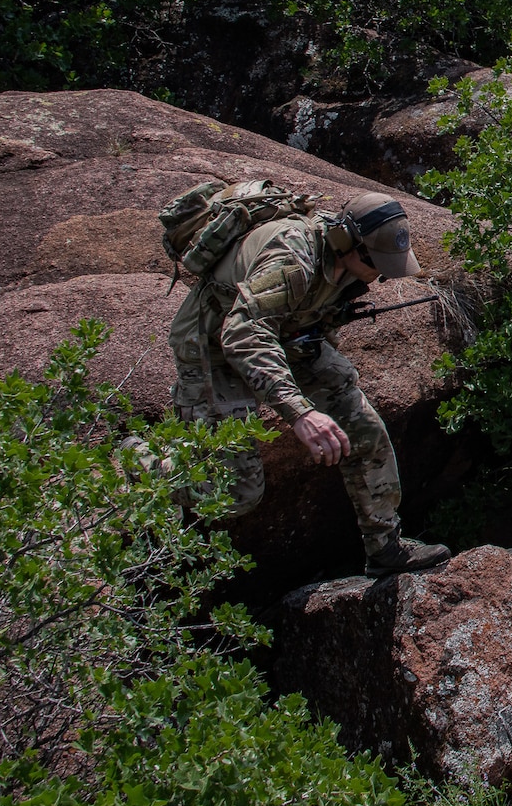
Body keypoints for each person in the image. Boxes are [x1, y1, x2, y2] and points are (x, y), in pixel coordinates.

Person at [167, 190, 452, 578]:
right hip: (213, 344)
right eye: (376, 262)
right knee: (235, 491)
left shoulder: (347, 267)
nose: (380, 275)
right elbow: (243, 333)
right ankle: (146, 466)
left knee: (363, 427)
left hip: (288, 336)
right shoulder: (293, 259)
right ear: (345, 241)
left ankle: (385, 547)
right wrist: (301, 412)